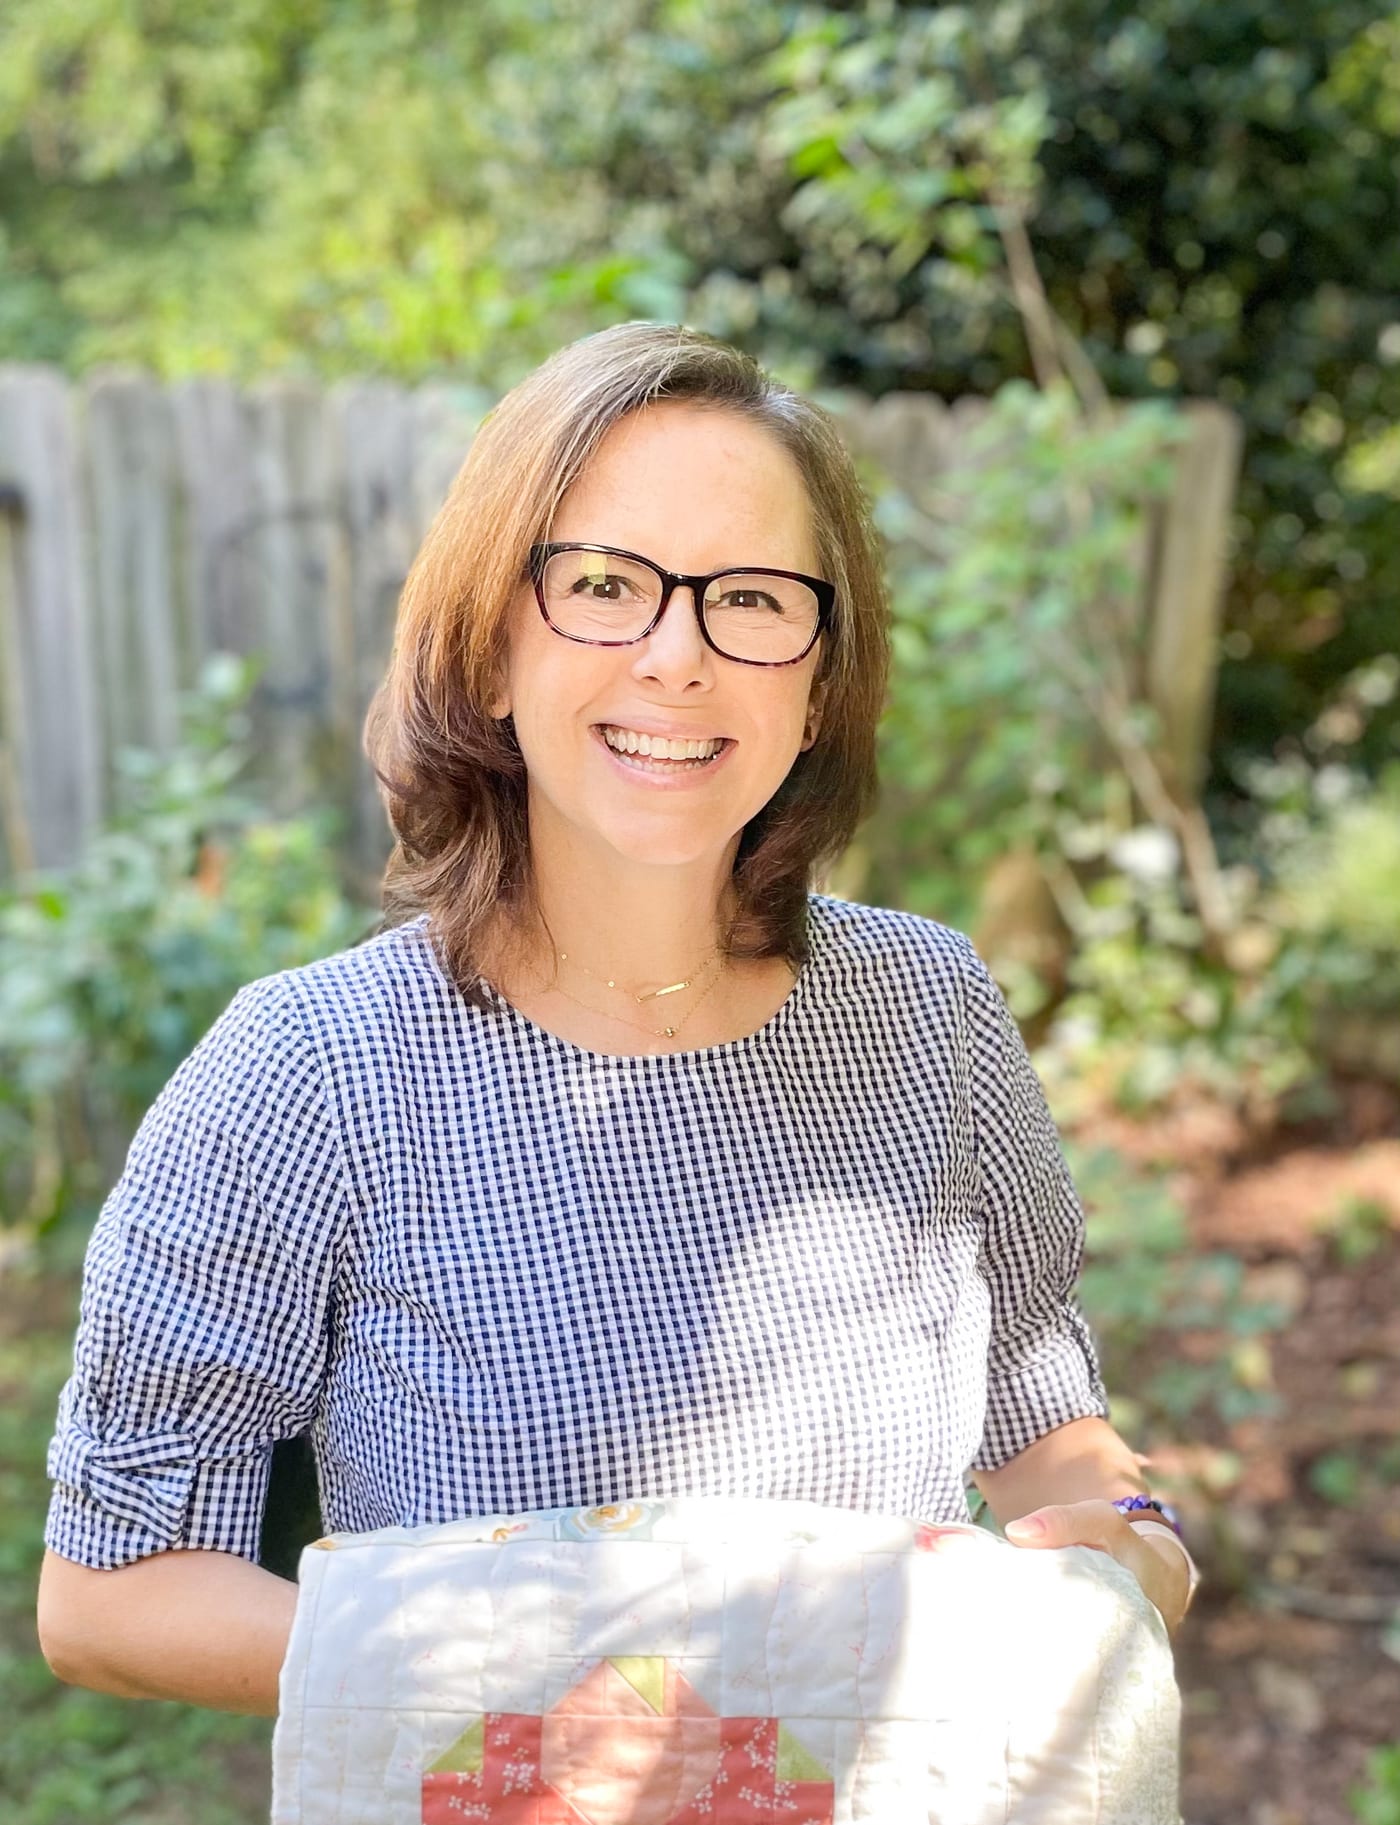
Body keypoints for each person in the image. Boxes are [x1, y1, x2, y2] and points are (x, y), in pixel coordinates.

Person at [36, 323, 1196, 1715]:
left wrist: (1142, 1551)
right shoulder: (313, 1070)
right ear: (486, 645)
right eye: (601, 583)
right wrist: (534, 1676)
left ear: (820, 678)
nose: (676, 656)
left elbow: (1048, 1426)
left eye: (753, 600)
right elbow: (109, 1589)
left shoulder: (933, 1015)